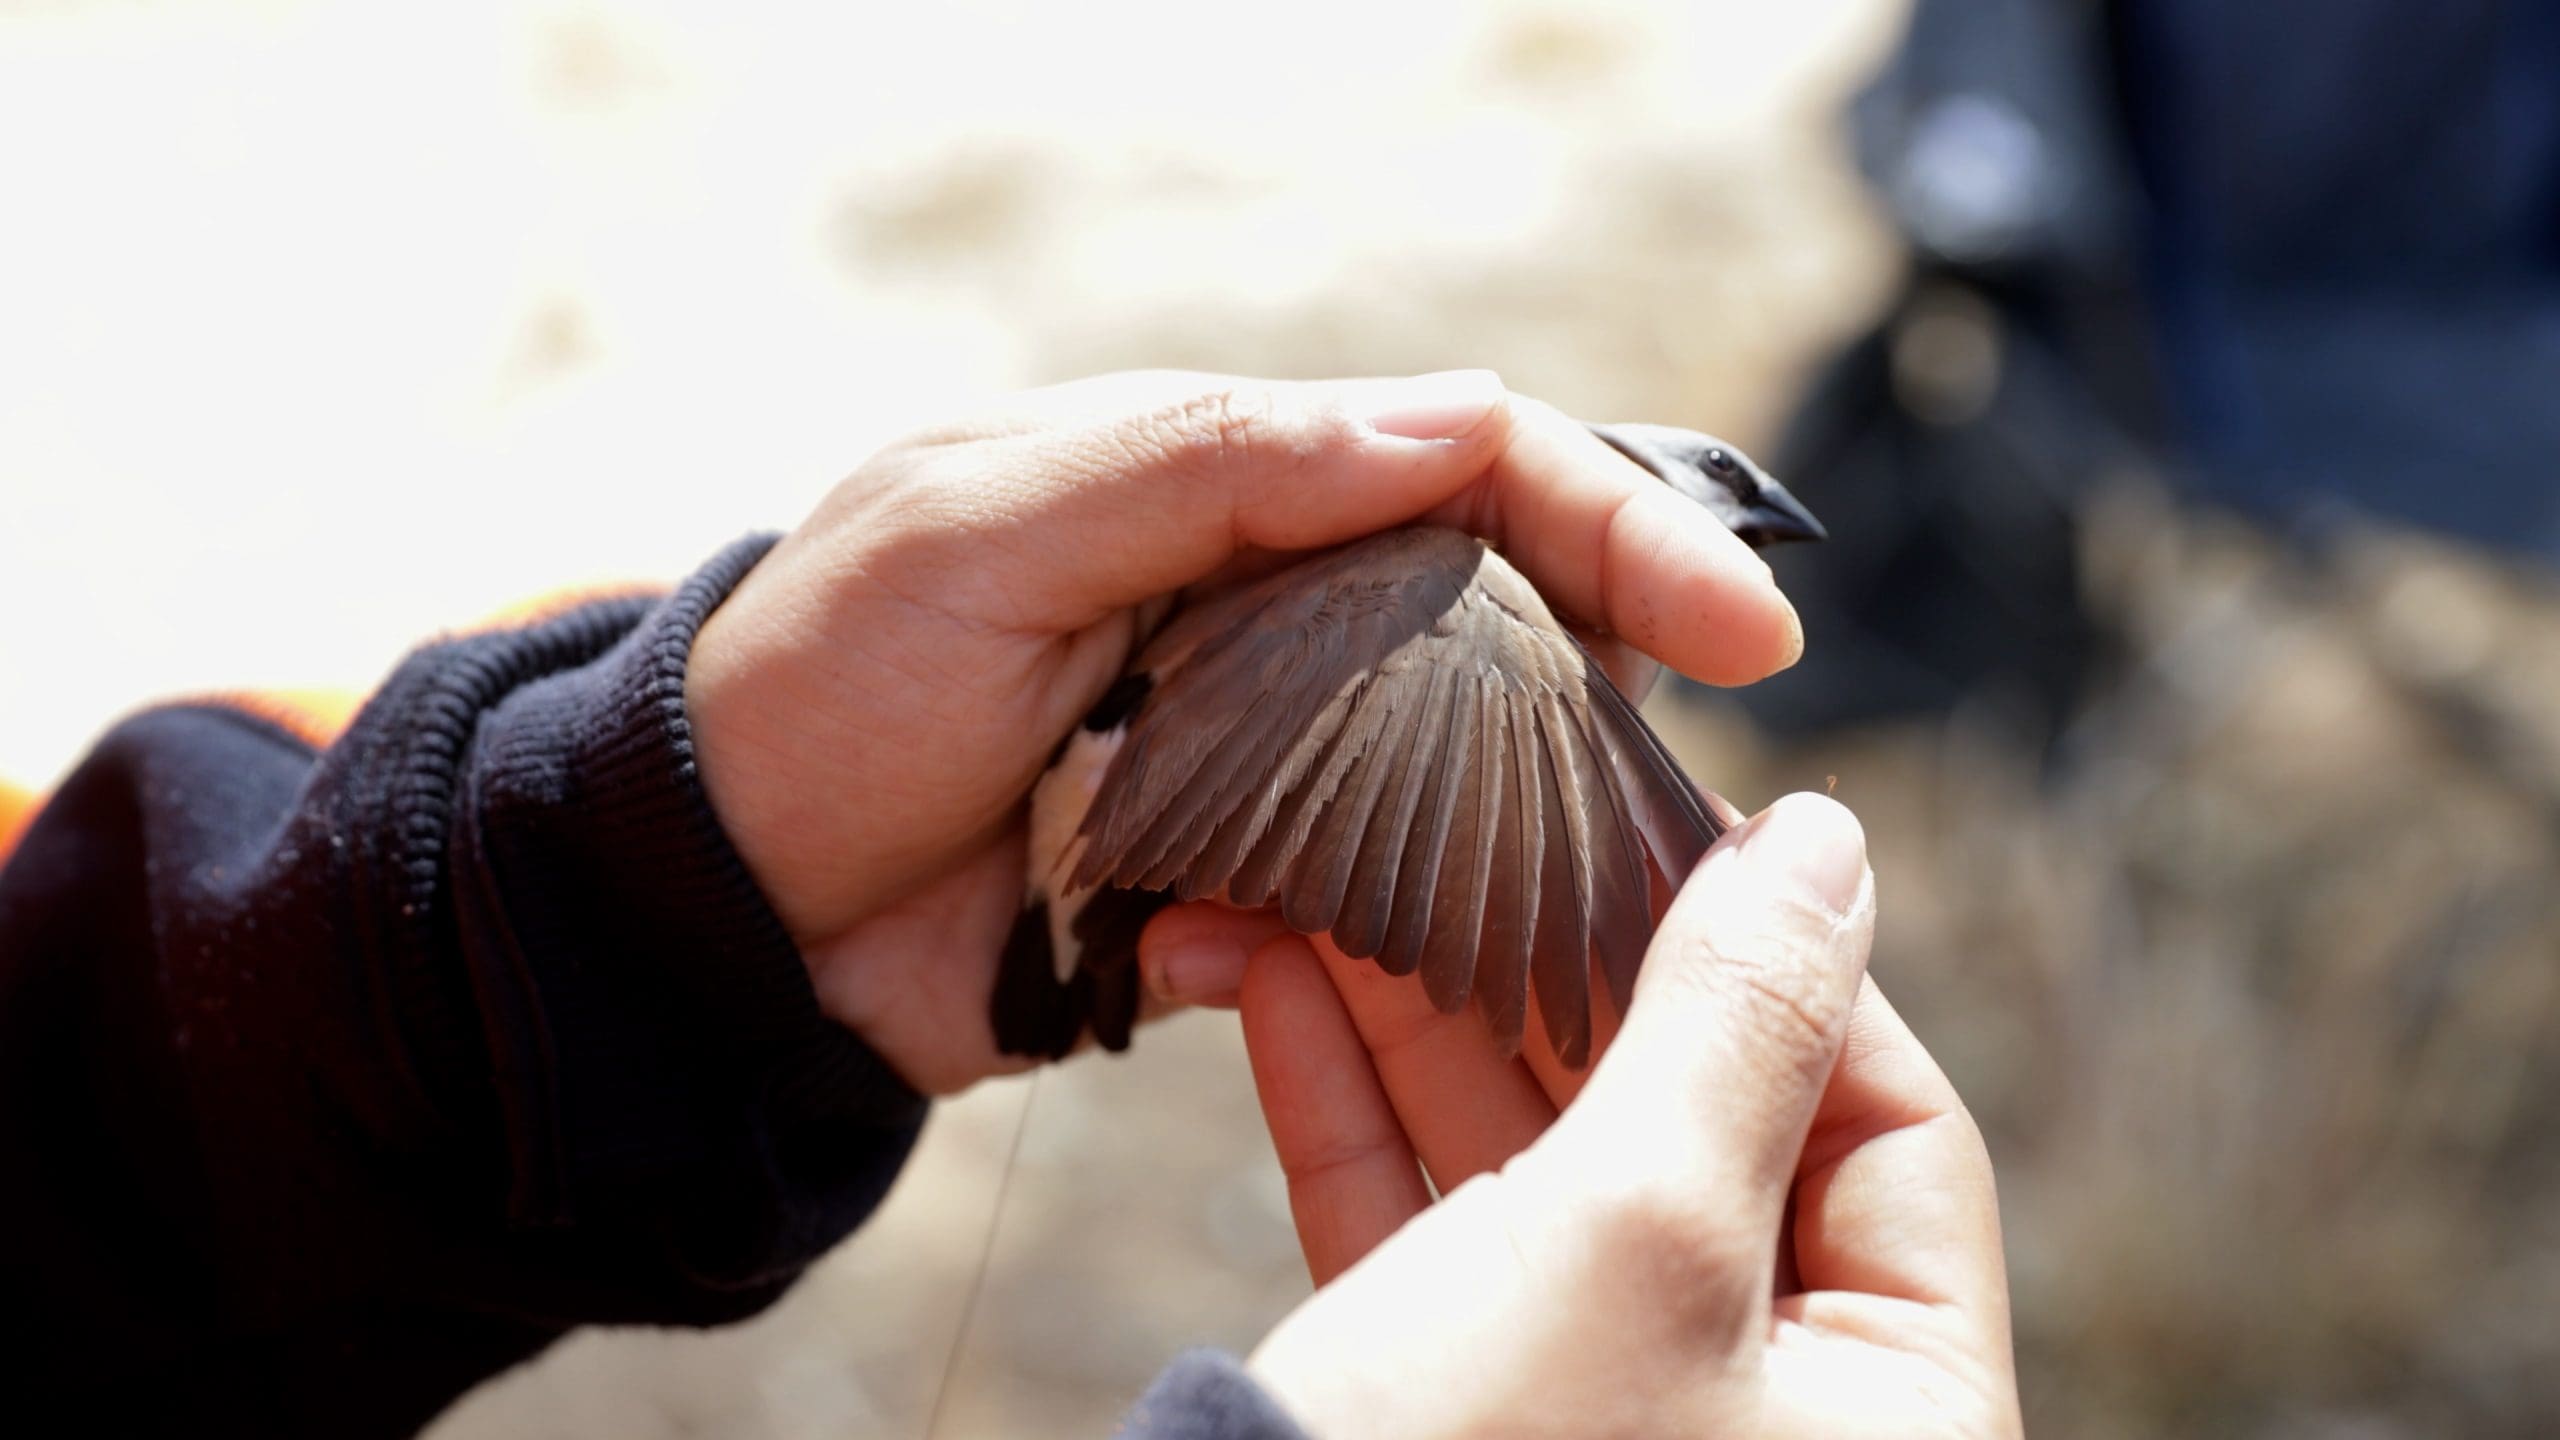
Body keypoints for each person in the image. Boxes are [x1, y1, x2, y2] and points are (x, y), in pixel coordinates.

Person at [0, 371, 2021, 1437]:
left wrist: (616, 883)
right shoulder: (1468, 596)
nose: (1742, 523)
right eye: (1713, 493)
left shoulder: (1479, 604)